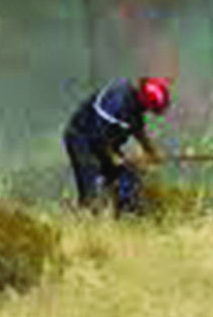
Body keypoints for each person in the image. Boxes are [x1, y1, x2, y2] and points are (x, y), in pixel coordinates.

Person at [63, 77, 170, 217]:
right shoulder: (117, 102)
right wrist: (114, 157)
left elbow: (137, 129)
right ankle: (84, 216)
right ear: (146, 101)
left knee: (130, 178)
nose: (150, 112)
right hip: (82, 139)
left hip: (104, 145)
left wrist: (151, 151)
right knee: (92, 187)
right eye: (152, 109)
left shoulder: (135, 105)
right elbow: (98, 135)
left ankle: (128, 217)